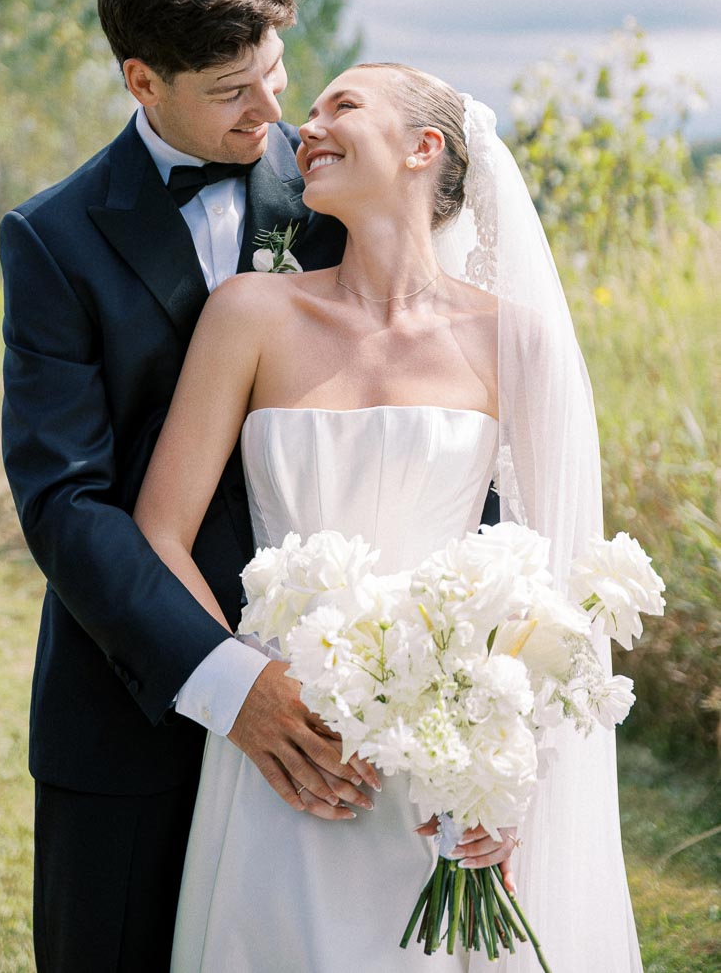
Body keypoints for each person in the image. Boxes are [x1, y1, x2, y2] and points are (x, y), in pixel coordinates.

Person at [133, 62, 644, 971]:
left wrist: (503, 777)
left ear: (424, 147)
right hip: (283, 745)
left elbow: (566, 583)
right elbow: (162, 532)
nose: (307, 126)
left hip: (443, 768)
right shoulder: (249, 312)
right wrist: (250, 697)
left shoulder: (515, 338)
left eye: (343, 106)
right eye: (313, 108)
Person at [0, 0, 376, 973]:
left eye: (275, 76)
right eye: (231, 92)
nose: (274, 116)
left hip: (332, 691)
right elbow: (65, 503)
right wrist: (223, 679)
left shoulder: (337, 196)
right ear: (141, 79)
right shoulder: (53, 239)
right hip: (130, 707)